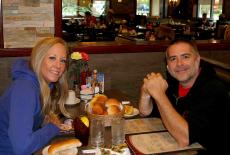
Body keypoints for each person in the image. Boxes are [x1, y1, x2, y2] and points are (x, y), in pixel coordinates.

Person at [139, 39, 230, 155]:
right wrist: (146, 91)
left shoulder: (214, 90)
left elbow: (185, 138)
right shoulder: (172, 84)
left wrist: (159, 95)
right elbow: (145, 112)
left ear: (197, 60)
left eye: (185, 57)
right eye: (173, 59)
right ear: (167, 66)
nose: (179, 64)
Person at [0, 37, 73, 155]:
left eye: (63, 60)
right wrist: (52, 127)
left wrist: (43, 121)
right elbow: (22, 148)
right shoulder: (25, 89)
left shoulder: (41, 84)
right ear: (39, 59)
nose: (58, 65)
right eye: (52, 58)